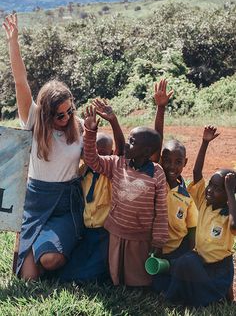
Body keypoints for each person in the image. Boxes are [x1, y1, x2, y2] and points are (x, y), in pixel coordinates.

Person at [3, 14, 84, 280]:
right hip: (36, 201)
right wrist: (13, 42)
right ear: (46, 115)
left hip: (66, 203)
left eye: (69, 111)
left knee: (49, 259)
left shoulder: (80, 125)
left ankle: (41, 247)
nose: (66, 119)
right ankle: (34, 246)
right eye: (59, 115)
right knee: (28, 279)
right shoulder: (35, 122)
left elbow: (99, 158)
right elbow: (20, 81)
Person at [82, 105, 168, 287]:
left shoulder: (157, 173)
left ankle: (138, 286)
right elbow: (92, 160)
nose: (126, 145)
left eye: (132, 142)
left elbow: (161, 210)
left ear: (146, 152)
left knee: (138, 278)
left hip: (141, 236)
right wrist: (90, 132)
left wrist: (159, 241)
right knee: (116, 273)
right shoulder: (118, 164)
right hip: (116, 231)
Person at [55, 99, 125, 283]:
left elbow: (122, 150)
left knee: (88, 275)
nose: (99, 156)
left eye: (105, 152)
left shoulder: (111, 171)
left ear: (111, 153)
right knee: (67, 272)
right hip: (86, 231)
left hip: (105, 233)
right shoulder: (82, 172)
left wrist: (113, 121)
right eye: (94, 151)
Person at [165, 125, 236, 307]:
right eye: (210, 185)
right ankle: (173, 297)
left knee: (187, 264)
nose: (210, 190)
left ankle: (206, 298)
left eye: (217, 188)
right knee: (184, 262)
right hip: (200, 263)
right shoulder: (204, 202)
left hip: (219, 268)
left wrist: (230, 193)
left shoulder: (229, 215)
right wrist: (204, 143)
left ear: (229, 196)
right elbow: (197, 174)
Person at [152, 79, 198, 293]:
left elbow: (191, 230)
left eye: (178, 162)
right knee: (153, 283)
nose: (172, 166)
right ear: (161, 160)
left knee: (183, 273)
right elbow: (157, 140)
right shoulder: (157, 177)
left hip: (176, 251)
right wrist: (160, 108)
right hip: (152, 249)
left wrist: (186, 255)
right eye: (167, 160)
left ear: (185, 164)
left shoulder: (186, 196)